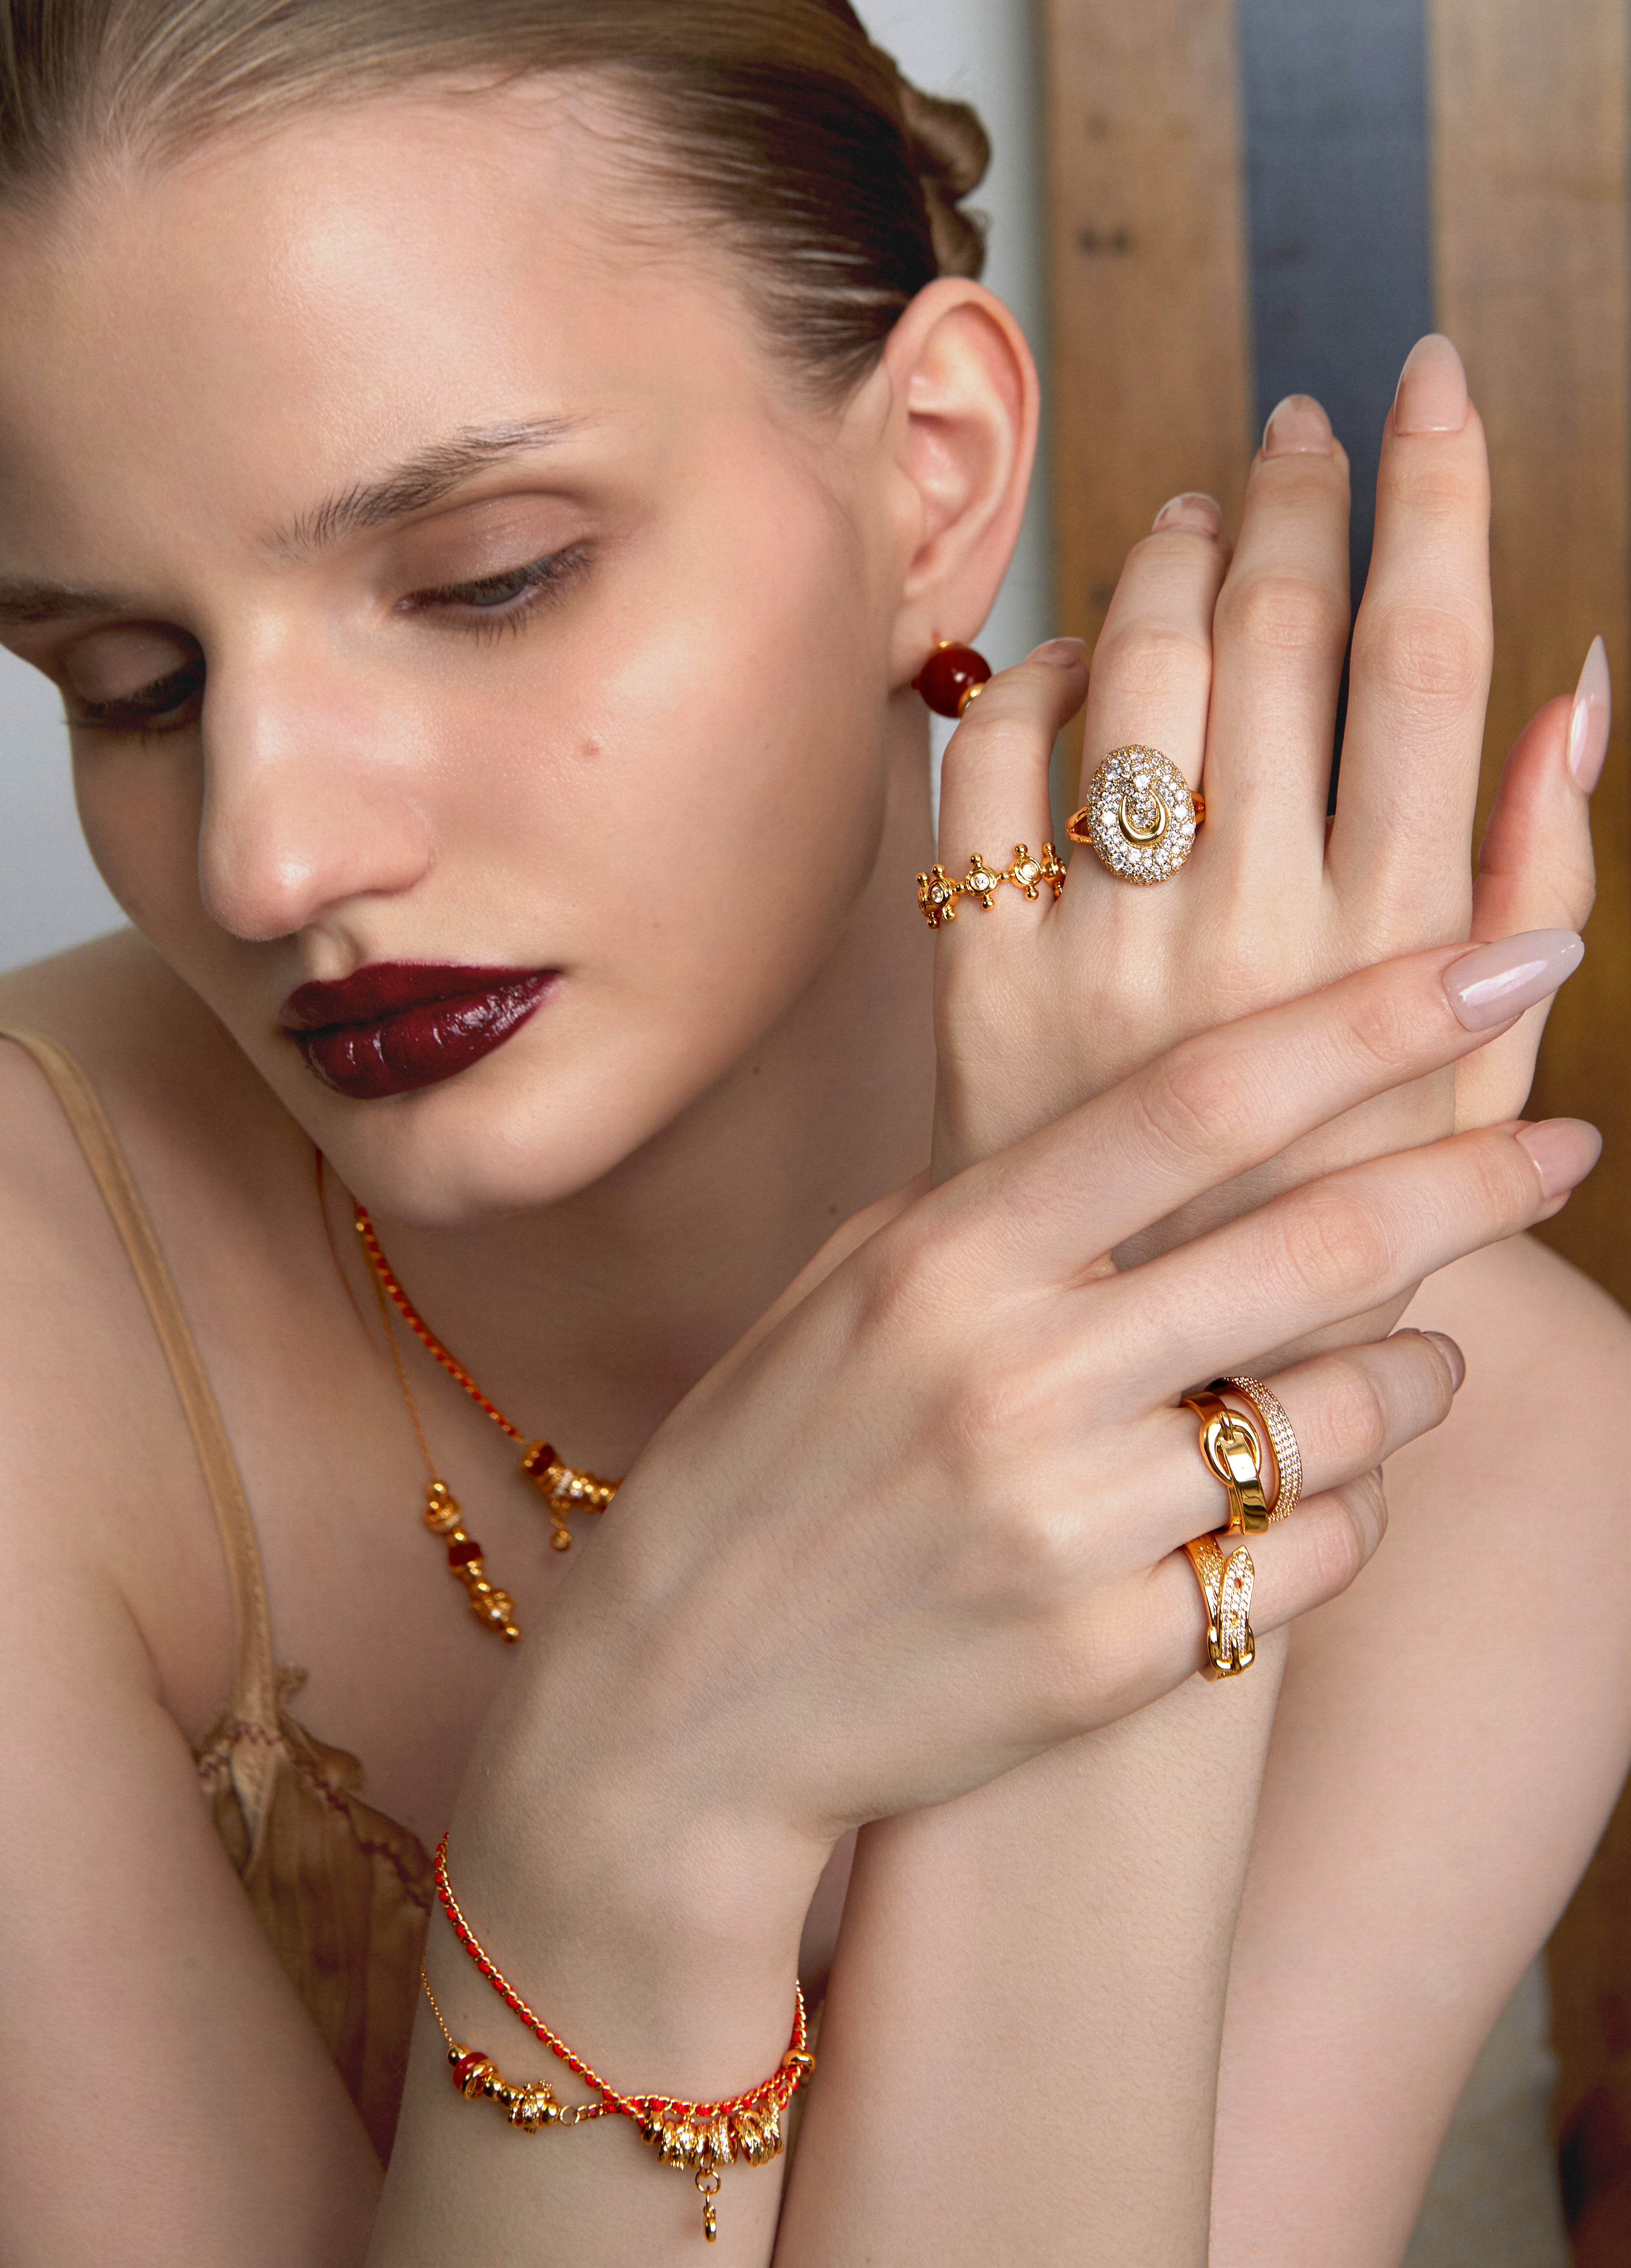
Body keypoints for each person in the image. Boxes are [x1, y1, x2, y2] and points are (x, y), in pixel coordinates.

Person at [0, 5, 1625, 2262]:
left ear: (931, 481)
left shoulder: (1492, 1429)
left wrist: (1154, 1382)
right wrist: (630, 1810)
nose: (268, 859)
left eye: (486, 578)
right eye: (130, 687)